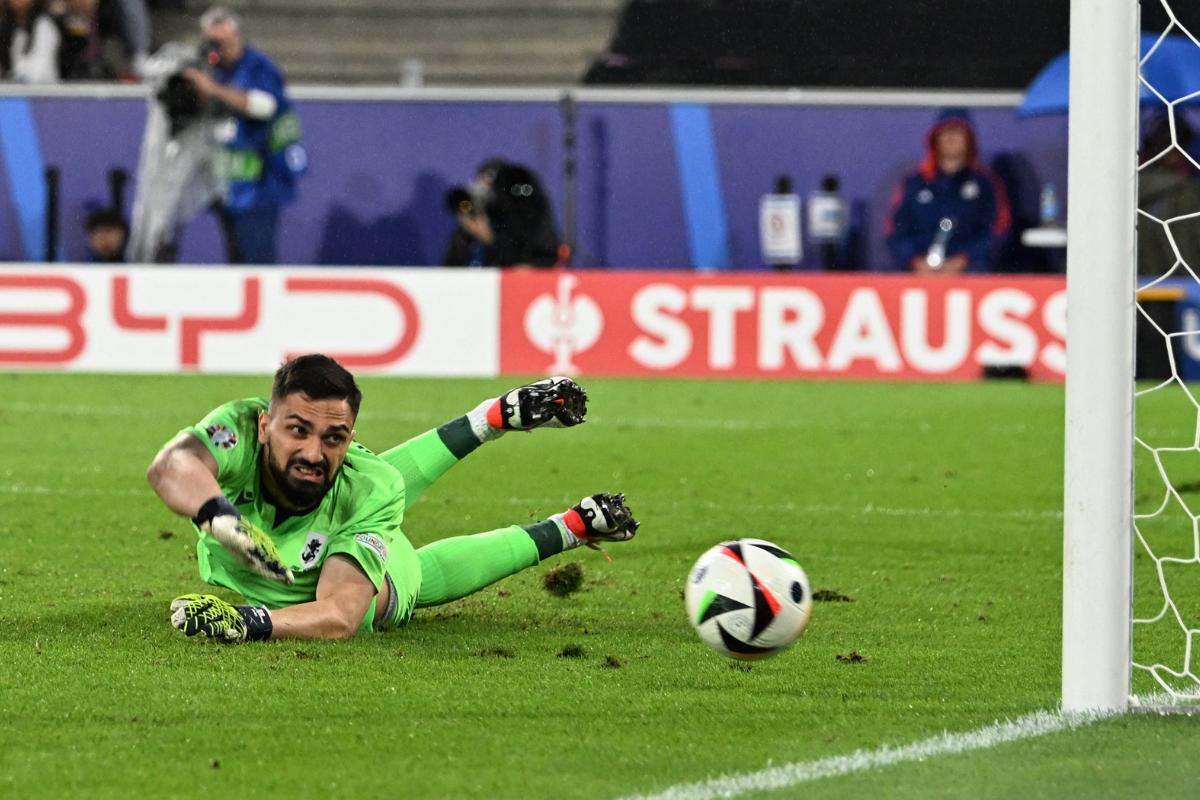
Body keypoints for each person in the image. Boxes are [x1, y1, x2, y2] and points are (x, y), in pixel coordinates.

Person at [147, 355, 639, 642]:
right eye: (297, 430)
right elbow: (172, 466)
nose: (313, 451)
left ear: (351, 434)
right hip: (322, 510)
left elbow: (340, 614)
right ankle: (491, 418)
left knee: (389, 594)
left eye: (334, 437)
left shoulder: (370, 486)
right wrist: (222, 519)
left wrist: (247, 621)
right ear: (264, 424)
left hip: (343, 569)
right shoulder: (239, 425)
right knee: (361, 480)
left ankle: (569, 528)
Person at [183, 5, 305, 264]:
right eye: (212, 42)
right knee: (234, 259)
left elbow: (265, 105)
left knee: (256, 259)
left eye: (223, 42)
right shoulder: (209, 68)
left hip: (260, 183)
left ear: (237, 36)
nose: (217, 49)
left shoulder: (259, 67)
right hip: (225, 180)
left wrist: (213, 89)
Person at [885, 108, 1010, 274]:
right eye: (945, 132)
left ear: (969, 139)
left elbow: (997, 230)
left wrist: (964, 259)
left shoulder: (985, 184)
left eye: (957, 132)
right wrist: (914, 260)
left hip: (969, 271)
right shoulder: (914, 182)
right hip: (917, 271)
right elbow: (895, 229)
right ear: (934, 139)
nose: (951, 138)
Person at [444, 159, 562, 267]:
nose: (487, 192)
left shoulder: (524, 212)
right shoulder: (480, 214)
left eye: (491, 186)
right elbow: (451, 269)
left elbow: (523, 257)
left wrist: (488, 237)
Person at [1138, 113, 1200, 276]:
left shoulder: (1125, 190)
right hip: (1182, 280)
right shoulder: (1189, 191)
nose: (1172, 153)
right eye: (1164, 144)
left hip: (1138, 279)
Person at [0, 0, 60, 83]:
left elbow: (41, 69)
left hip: (42, 90)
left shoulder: (44, 25)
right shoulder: (8, 28)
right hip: (13, 90)